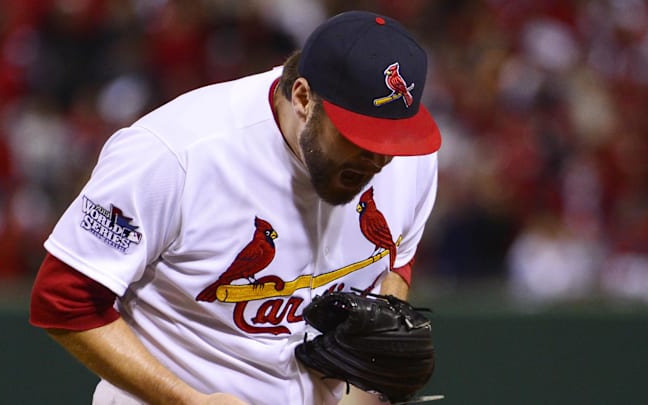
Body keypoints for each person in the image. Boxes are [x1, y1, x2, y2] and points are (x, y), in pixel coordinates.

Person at [29, 10, 441, 405]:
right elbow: (63, 299)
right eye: (359, 136)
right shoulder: (175, 153)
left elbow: (397, 258)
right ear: (303, 98)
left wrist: (388, 316)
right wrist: (186, 400)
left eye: (391, 140)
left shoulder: (410, 161)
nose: (379, 159)